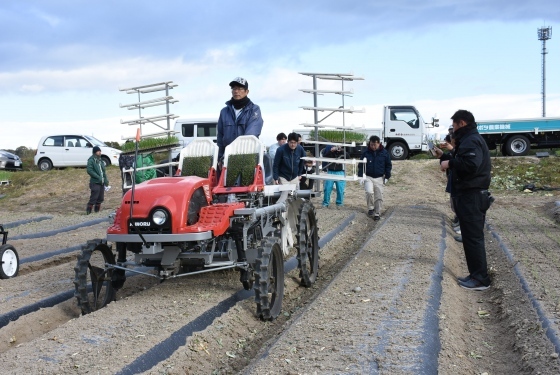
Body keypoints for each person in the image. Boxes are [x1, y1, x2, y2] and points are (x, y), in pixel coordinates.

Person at [438, 110, 492, 291]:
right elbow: (462, 159)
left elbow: (470, 165)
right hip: (469, 195)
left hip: (472, 196)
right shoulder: (469, 139)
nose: (452, 129)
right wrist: (447, 159)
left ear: (461, 123)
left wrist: (450, 164)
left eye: (453, 125)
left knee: (474, 238)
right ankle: (475, 275)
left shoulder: (471, 140)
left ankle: (480, 279)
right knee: (470, 237)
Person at [217, 77, 263, 160]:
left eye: (240, 88)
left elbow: (251, 134)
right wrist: (220, 158)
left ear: (247, 91)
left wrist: (235, 153)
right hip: (227, 158)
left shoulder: (254, 110)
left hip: (247, 157)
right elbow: (220, 137)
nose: (236, 91)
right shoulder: (224, 112)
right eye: (234, 88)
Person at [357, 135, 392, 221]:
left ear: (378, 143)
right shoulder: (365, 153)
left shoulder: (384, 153)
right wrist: (360, 176)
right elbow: (361, 165)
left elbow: (388, 165)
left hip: (379, 177)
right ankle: (370, 208)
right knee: (369, 192)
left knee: (379, 195)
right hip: (368, 176)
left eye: (375, 145)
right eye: (371, 144)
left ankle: (377, 213)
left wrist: (387, 176)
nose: (373, 147)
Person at [86, 146, 109, 214]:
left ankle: (97, 211)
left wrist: (105, 180)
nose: (99, 152)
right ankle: (88, 211)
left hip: (101, 182)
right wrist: (97, 177)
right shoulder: (91, 160)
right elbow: (89, 170)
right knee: (94, 196)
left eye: (100, 151)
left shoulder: (100, 161)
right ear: (95, 152)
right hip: (95, 182)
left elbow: (103, 171)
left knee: (100, 197)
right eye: (98, 151)